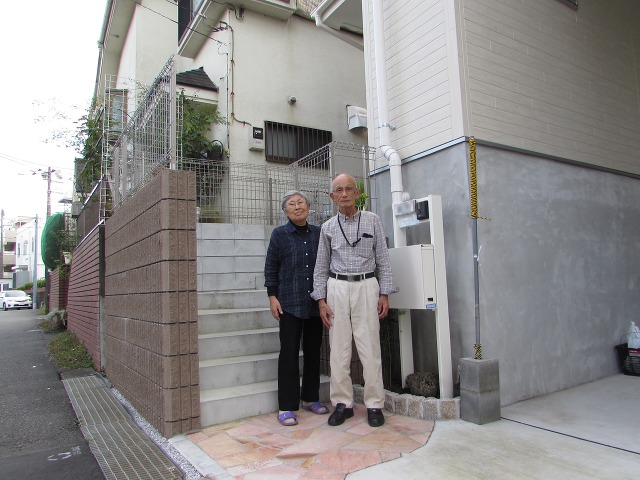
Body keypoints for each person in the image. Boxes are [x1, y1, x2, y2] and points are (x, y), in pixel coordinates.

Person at [311, 173, 396, 428]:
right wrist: (320, 300)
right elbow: (321, 266)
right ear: (332, 196)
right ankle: (342, 403)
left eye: (349, 189)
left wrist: (384, 293)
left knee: (370, 347)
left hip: (367, 286)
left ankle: (374, 404)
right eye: (339, 190)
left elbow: (383, 259)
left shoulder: (372, 220)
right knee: (338, 349)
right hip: (336, 287)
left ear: (357, 193)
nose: (345, 194)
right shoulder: (327, 227)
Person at [264, 190, 329, 426]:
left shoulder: (319, 233)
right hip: (289, 303)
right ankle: (286, 406)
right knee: (289, 354)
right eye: (291, 204)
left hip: (314, 302)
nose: (297, 206)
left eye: (301, 202)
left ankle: (310, 398)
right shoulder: (279, 235)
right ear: (285, 211)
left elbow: (326, 264)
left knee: (313, 352)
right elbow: (271, 267)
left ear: (308, 208)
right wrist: (272, 296)